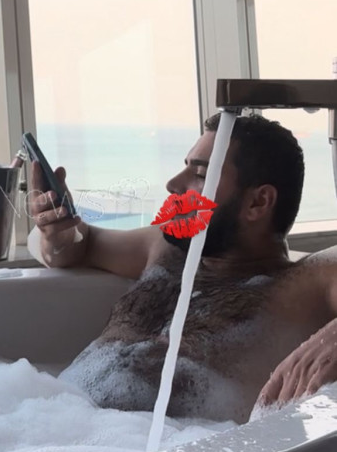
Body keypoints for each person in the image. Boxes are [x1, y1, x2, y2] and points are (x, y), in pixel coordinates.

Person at [29, 112, 337, 422]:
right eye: (185, 167)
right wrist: (56, 235)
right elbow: (79, 246)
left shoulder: (302, 285)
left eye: (200, 174)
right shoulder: (166, 250)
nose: (173, 184)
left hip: (171, 447)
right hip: (52, 420)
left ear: (258, 202)